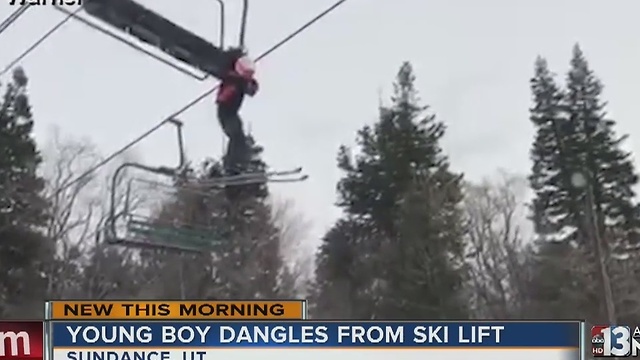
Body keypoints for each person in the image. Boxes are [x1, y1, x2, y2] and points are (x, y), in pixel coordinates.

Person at [215, 50, 259, 175]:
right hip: (225, 113)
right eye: (247, 74)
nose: (249, 76)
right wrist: (236, 86)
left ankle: (240, 164)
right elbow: (222, 98)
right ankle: (230, 166)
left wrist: (249, 84)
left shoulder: (242, 82)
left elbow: (252, 90)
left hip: (233, 113)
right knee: (236, 137)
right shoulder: (232, 80)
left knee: (240, 139)